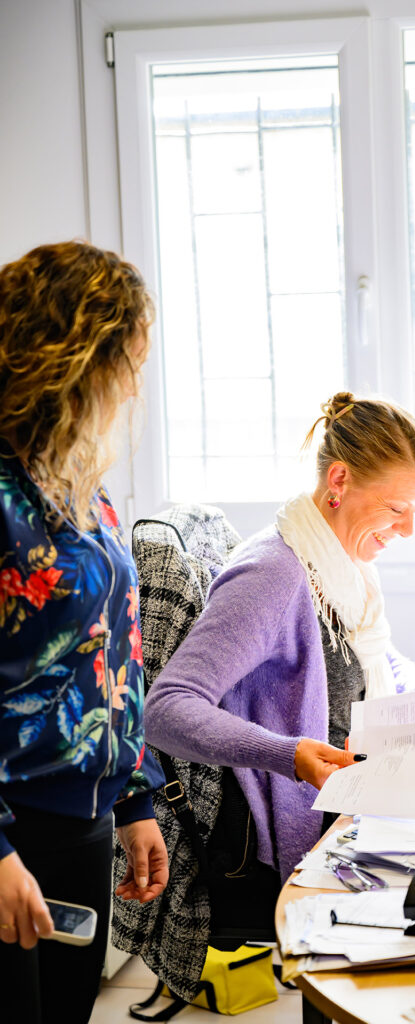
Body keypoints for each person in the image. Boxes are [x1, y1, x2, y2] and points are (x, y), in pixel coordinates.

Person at [144, 392, 415, 887]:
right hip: (314, 819)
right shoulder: (274, 574)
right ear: (339, 479)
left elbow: (381, 663)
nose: (408, 529)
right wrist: (288, 754)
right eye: (396, 508)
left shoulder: (345, 567)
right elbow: (164, 710)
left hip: (355, 796)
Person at [0, 241, 168, 1023]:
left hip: (83, 821)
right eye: (127, 362)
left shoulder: (74, 481)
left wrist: (133, 799)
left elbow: (116, 648)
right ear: (72, 356)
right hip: (12, 825)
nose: (135, 387)